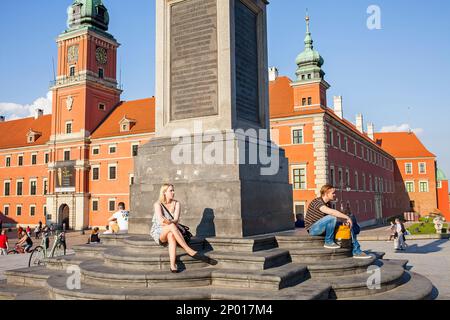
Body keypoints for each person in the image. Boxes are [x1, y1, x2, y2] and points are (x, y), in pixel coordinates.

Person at [150, 184, 216, 273]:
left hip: (172, 230)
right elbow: (161, 221)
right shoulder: (158, 204)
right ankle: (189, 251)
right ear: (164, 192)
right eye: (171, 191)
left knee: (171, 236)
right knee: (172, 227)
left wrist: (170, 220)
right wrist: (171, 222)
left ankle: (172, 265)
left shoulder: (177, 203)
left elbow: (176, 220)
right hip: (159, 231)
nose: (173, 192)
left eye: (173, 190)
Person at [305, 184, 371, 259]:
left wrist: (346, 221)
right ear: (326, 193)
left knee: (347, 224)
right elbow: (331, 213)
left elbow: (331, 220)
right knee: (332, 217)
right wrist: (346, 217)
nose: (335, 194)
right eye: (333, 193)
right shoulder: (317, 201)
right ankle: (328, 241)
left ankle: (356, 250)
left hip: (323, 227)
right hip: (313, 229)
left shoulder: (328, 203)